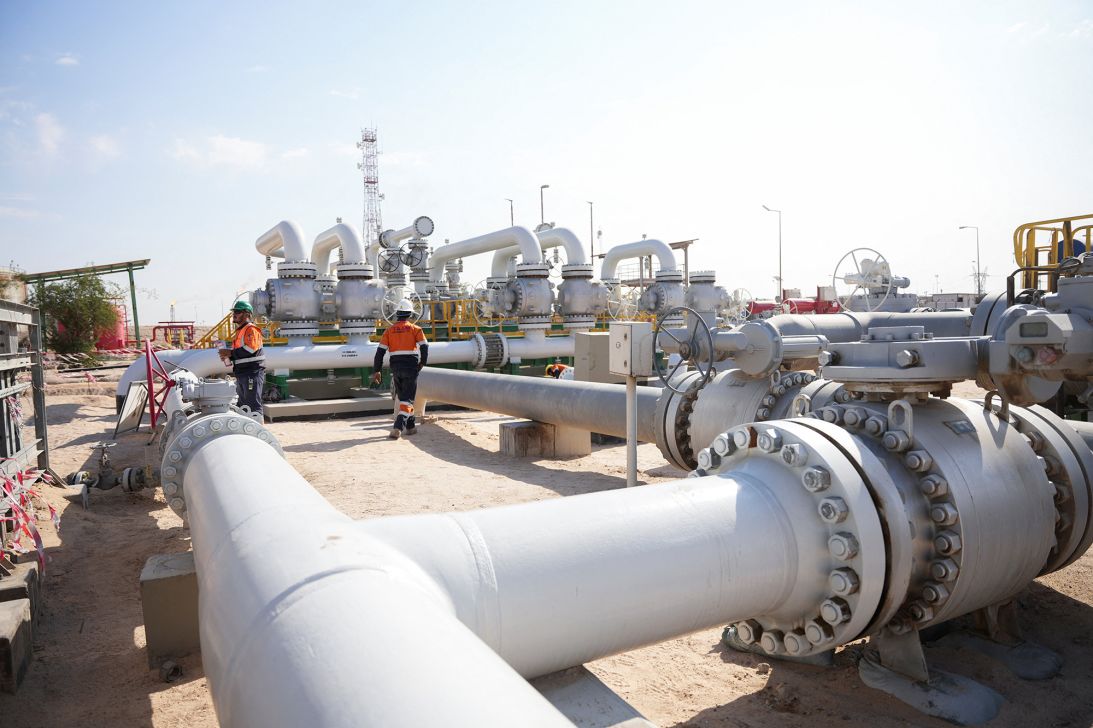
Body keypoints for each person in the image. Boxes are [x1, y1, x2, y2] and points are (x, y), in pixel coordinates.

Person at [371, 299, 429, 439]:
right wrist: (422, 362)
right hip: (411, 367)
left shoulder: (389, 331)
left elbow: (380, 352)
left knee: (403, 397)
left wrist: (377, 370)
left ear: (397, 314)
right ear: (410, 315)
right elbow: (425, 346)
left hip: (396, 368)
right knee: (408, 400)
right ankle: (398, 427)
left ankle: (411, 427)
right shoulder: (416, 329)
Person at [218, 300, 265, 417]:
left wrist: (230, 353)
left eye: (238, 312)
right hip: (242, 372)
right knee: (243, 406)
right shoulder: (240, 331)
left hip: (252, 372)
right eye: (234, 312)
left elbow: (251, 349)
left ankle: (257, 432)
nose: (234, 314)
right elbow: (241, 353)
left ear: (247, 314)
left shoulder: (251, 329)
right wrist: (228, 357)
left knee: (253, 406)